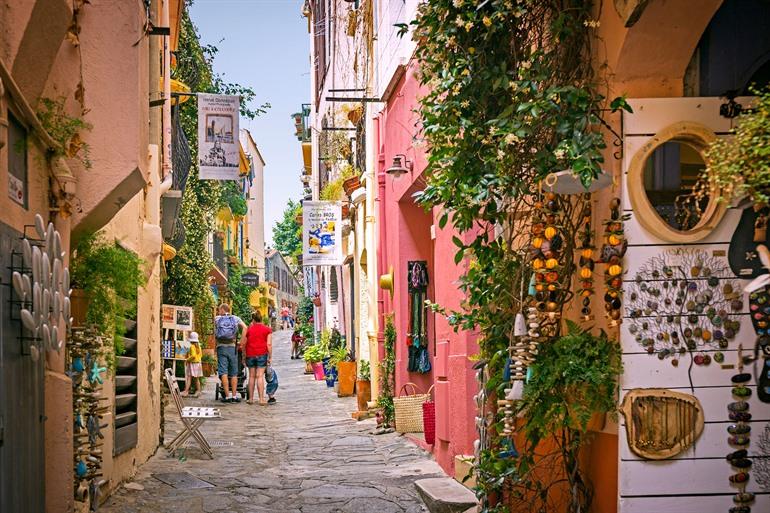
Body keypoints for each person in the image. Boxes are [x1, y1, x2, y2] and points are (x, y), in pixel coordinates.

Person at [215, 304, 248, 403]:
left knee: (223, 371)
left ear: (222, 309)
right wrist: (241, 342)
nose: (218, 311)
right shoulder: (235, 318)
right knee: (234, 372)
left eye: (219, 310)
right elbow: (245, 328)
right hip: (232, 347)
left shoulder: (217, 319)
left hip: (221, 347)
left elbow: (216, 332)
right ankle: (234, 396)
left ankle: (227, 396)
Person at [241, 311, 273, 405]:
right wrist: (270, 357)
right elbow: (269, 344)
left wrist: (243, 356)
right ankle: (261, 399)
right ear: (261, 319)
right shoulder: (267, 330)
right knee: (259, 376)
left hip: (250, 354)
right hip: (262, 354)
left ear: (253, 319)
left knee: (251, 376)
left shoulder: (249, 330)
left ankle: (250, 399)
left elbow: (243, 343)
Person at [181, 332, 203, 397]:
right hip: (198, 363)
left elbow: (193, 356)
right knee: (196, 379)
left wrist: (187, 360)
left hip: (193, 364)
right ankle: (198, 391)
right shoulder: (199, 346)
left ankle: (186, 391)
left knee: (189, 378)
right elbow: (200, 355)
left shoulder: (192, 346)